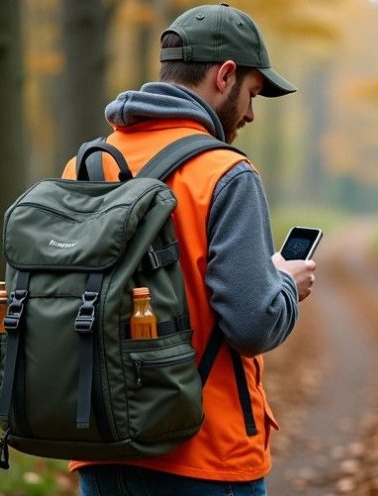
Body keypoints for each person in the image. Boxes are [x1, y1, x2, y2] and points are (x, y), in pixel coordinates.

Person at [60, 3, 316, 495]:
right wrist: (285, 283)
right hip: (202, 455)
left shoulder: (85, 166)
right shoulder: (225, 173)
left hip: (100, 449)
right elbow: (252, 323)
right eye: (252, 93)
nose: (251, 114)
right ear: (224, 75)